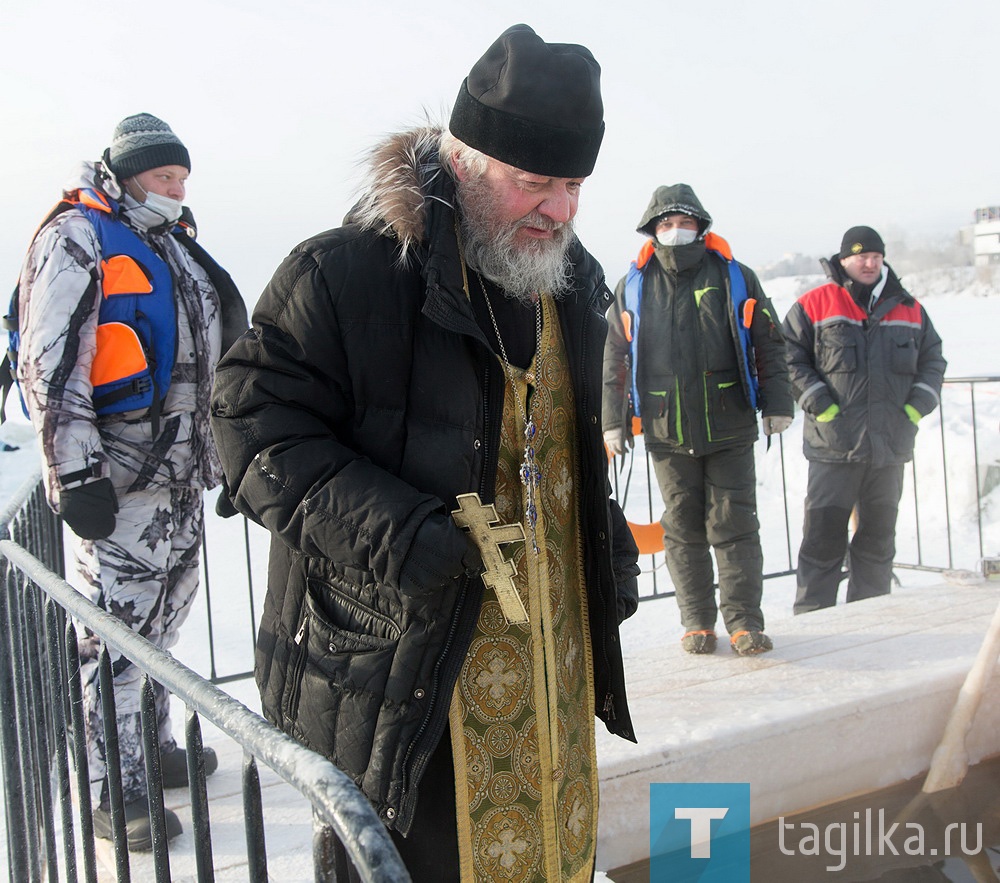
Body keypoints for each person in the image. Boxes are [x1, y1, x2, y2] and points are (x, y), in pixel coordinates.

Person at [210, 24, 640, 883]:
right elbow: (248, 426)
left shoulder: (568, 279)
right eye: (535, 183)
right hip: (403, 673)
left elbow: (545, 444)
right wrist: (394, 530)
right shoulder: (346, 275)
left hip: (549, 673)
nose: (560, 208)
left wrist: (600, 535)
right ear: (468, 159)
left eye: (574, 184)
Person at [15, 113, 248, 849]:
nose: (176, 190)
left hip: (178, 475)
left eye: (183, 179)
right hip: (113, 482)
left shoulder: (171, 244)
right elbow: (50, 367)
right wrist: (73, 471)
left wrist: (227, 455)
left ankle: (145, 743)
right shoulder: (76, 238)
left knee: (163, 623)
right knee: (113, 633)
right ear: (126, 173)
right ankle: (111, 781)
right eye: (163, 177)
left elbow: (210, 361)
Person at [602, 184, 793, 656]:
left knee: (735, 526)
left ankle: (746, 622)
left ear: (701, 226)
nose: (675, 230)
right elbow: (614, 357)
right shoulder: (633, 285)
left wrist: (779, 403)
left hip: (729, 425)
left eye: (684, 222)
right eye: (665, 223)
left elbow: (769, 342)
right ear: (653, 229)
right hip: (667, 431)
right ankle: (696, 623)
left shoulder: (735, 276)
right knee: (682, 531)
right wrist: (614, 420)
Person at [783, 226, 946, 614]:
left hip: (888, 448)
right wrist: (820, 405)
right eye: (860, 256)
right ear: (843, 261)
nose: (868, 263)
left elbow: (933, 361)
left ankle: (871, 623)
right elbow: (788, 357)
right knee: (822, 541)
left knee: (877, 542)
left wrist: (913, 409)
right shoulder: (815, 304)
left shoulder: (909, 308)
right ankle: (814, 621)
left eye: (875, 256)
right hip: (833, 448)